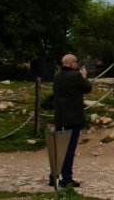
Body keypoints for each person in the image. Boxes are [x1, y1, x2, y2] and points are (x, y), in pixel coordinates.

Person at [49, 54, 92, 188]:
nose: (77, 64)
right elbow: (88, 88)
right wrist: (84, 76)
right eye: (76, 62)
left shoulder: (57, 75)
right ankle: (67, 178)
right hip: (73, 118)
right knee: (69, 149)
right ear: (71, 63)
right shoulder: (75, 76)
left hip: (60, 116)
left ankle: (53, 176)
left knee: (58, 147)